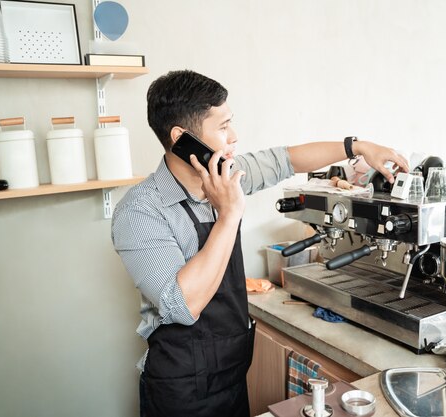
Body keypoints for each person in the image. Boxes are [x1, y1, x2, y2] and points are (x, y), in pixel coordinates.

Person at [111, 69, 409, 417]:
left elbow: (287, 159)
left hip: (232, 374)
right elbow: (182, 305)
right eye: (223, 127)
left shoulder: (226, 174)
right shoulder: (140, 210)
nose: (234, 136)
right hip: (180, 388)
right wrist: (229, 212)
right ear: (182, 138)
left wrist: (356, 146)